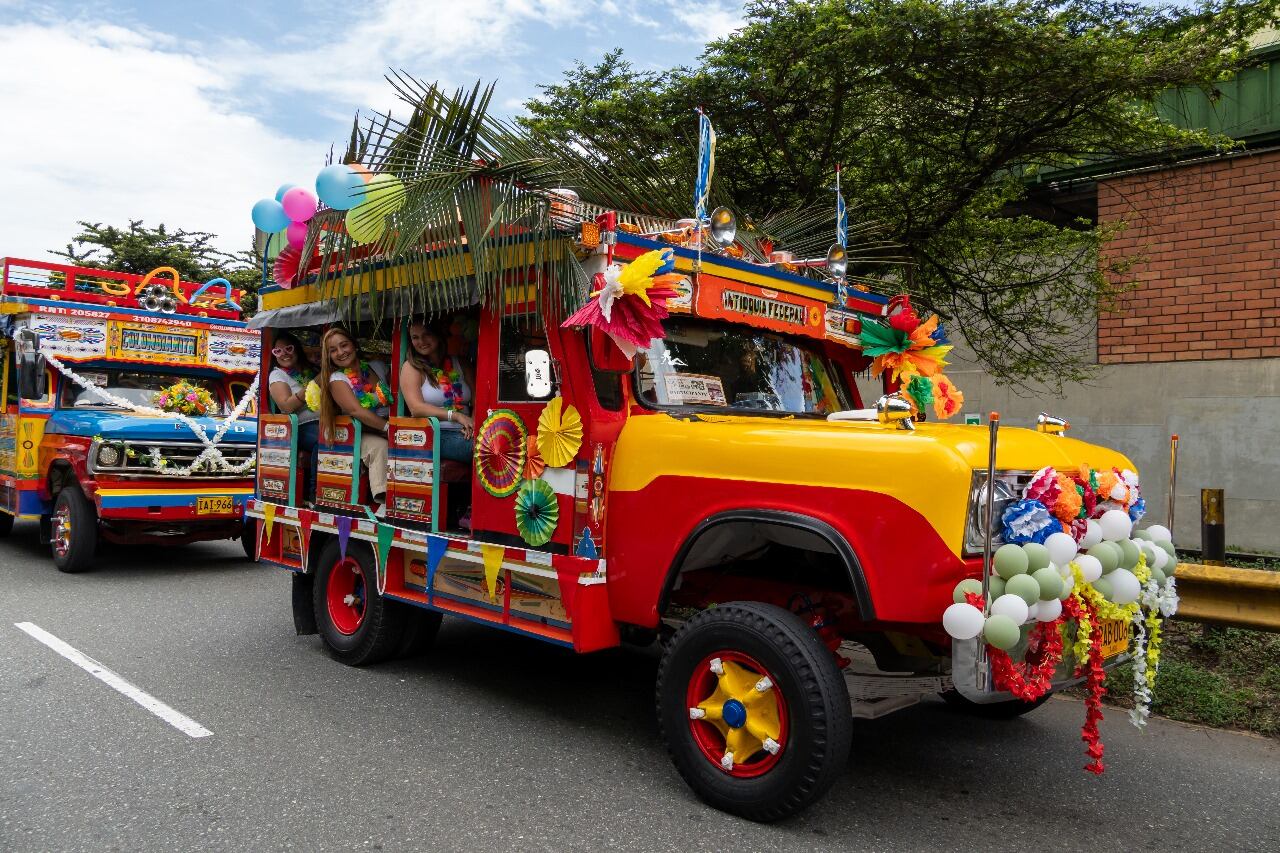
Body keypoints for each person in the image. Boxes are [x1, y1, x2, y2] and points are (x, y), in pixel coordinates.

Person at [318, 327, 391, 514]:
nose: (341, 353)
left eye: (344, 345)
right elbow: (356, 410)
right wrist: (387, 428)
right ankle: (384, 502)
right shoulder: (337, 379)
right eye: (333, 350)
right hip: (358, 434)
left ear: (354, 345)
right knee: (379, 448)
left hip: (382, 424)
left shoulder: (372, 368)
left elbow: (390, 396)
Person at [399, 319, 475, 462]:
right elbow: (416, 408)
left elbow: (478, 400)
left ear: (438, 334)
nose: (421, 341)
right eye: (415, 337)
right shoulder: (411, 367)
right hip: (436, 434)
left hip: (469, 431)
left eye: (426, 334)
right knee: (482, 449)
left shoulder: (462, 363)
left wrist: (473, 424)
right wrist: (457, 416)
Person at [267, 330, 319, 498]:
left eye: (288, 349)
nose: (284, 354)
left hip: (326, 420)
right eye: (278, 351)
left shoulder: (311, 370)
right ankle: (314, 494)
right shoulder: (277, 374)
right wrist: (313, 386)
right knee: (325, 441)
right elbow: (287, 406)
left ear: (296, 349)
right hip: (301, 427)